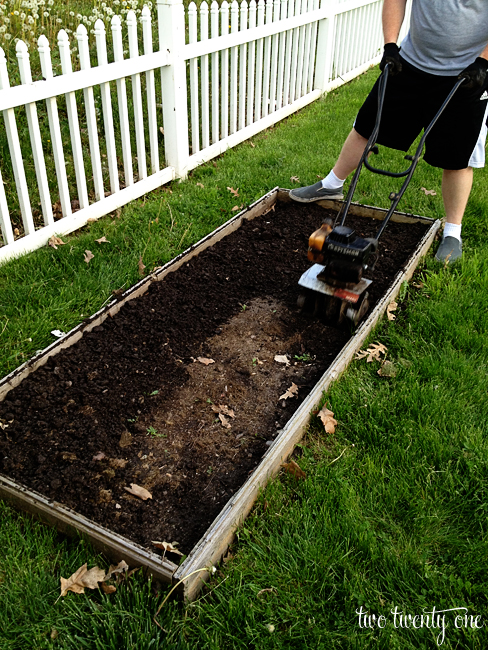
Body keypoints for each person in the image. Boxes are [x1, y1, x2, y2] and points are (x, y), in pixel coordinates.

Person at [289, 0, 488, 263]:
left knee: (457, 156)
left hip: (468, 75)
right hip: (410, 63)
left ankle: (453, 231)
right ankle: (331, 185)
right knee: (366, 127)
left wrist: (483, 62)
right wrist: (391, 45)